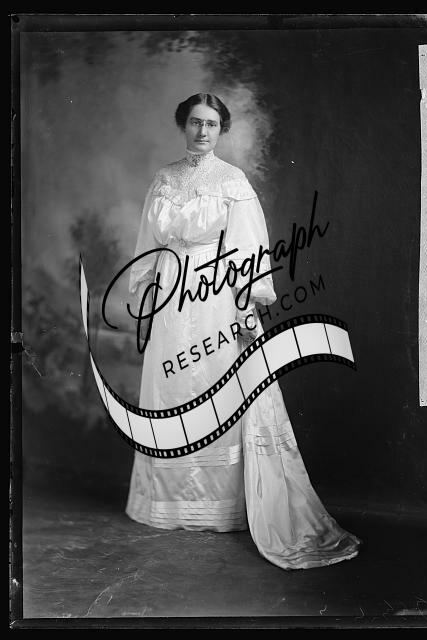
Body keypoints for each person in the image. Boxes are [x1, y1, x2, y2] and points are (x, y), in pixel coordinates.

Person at [126, 93, 361, 570]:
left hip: (213, 297)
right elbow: (148, 243)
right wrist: (146, 297)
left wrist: (246, 307)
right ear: (183, 125)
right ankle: (167, 503)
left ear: (222, 129)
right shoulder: (163, 179)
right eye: (195, 122)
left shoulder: (233, 180)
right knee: (170, 387)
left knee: (215, 385)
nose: (203, 132)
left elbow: (250, 248)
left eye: (212, 124)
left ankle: (219, 506)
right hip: (170, 295)